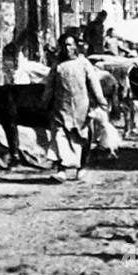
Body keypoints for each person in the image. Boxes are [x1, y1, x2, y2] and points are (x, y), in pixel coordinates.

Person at [42, 33, 107, 182]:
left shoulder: (84, 64)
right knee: (59, 137)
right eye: (64, 45)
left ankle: (81, 168)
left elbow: (94, 84)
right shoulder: (57, 66)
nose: (68, 48)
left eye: (71, 45)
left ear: (76, 46)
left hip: (81, 108)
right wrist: (44, 103)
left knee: (82, 139)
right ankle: (62, 170)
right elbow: (49, 87)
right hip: (61, 107)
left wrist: (101, 102)